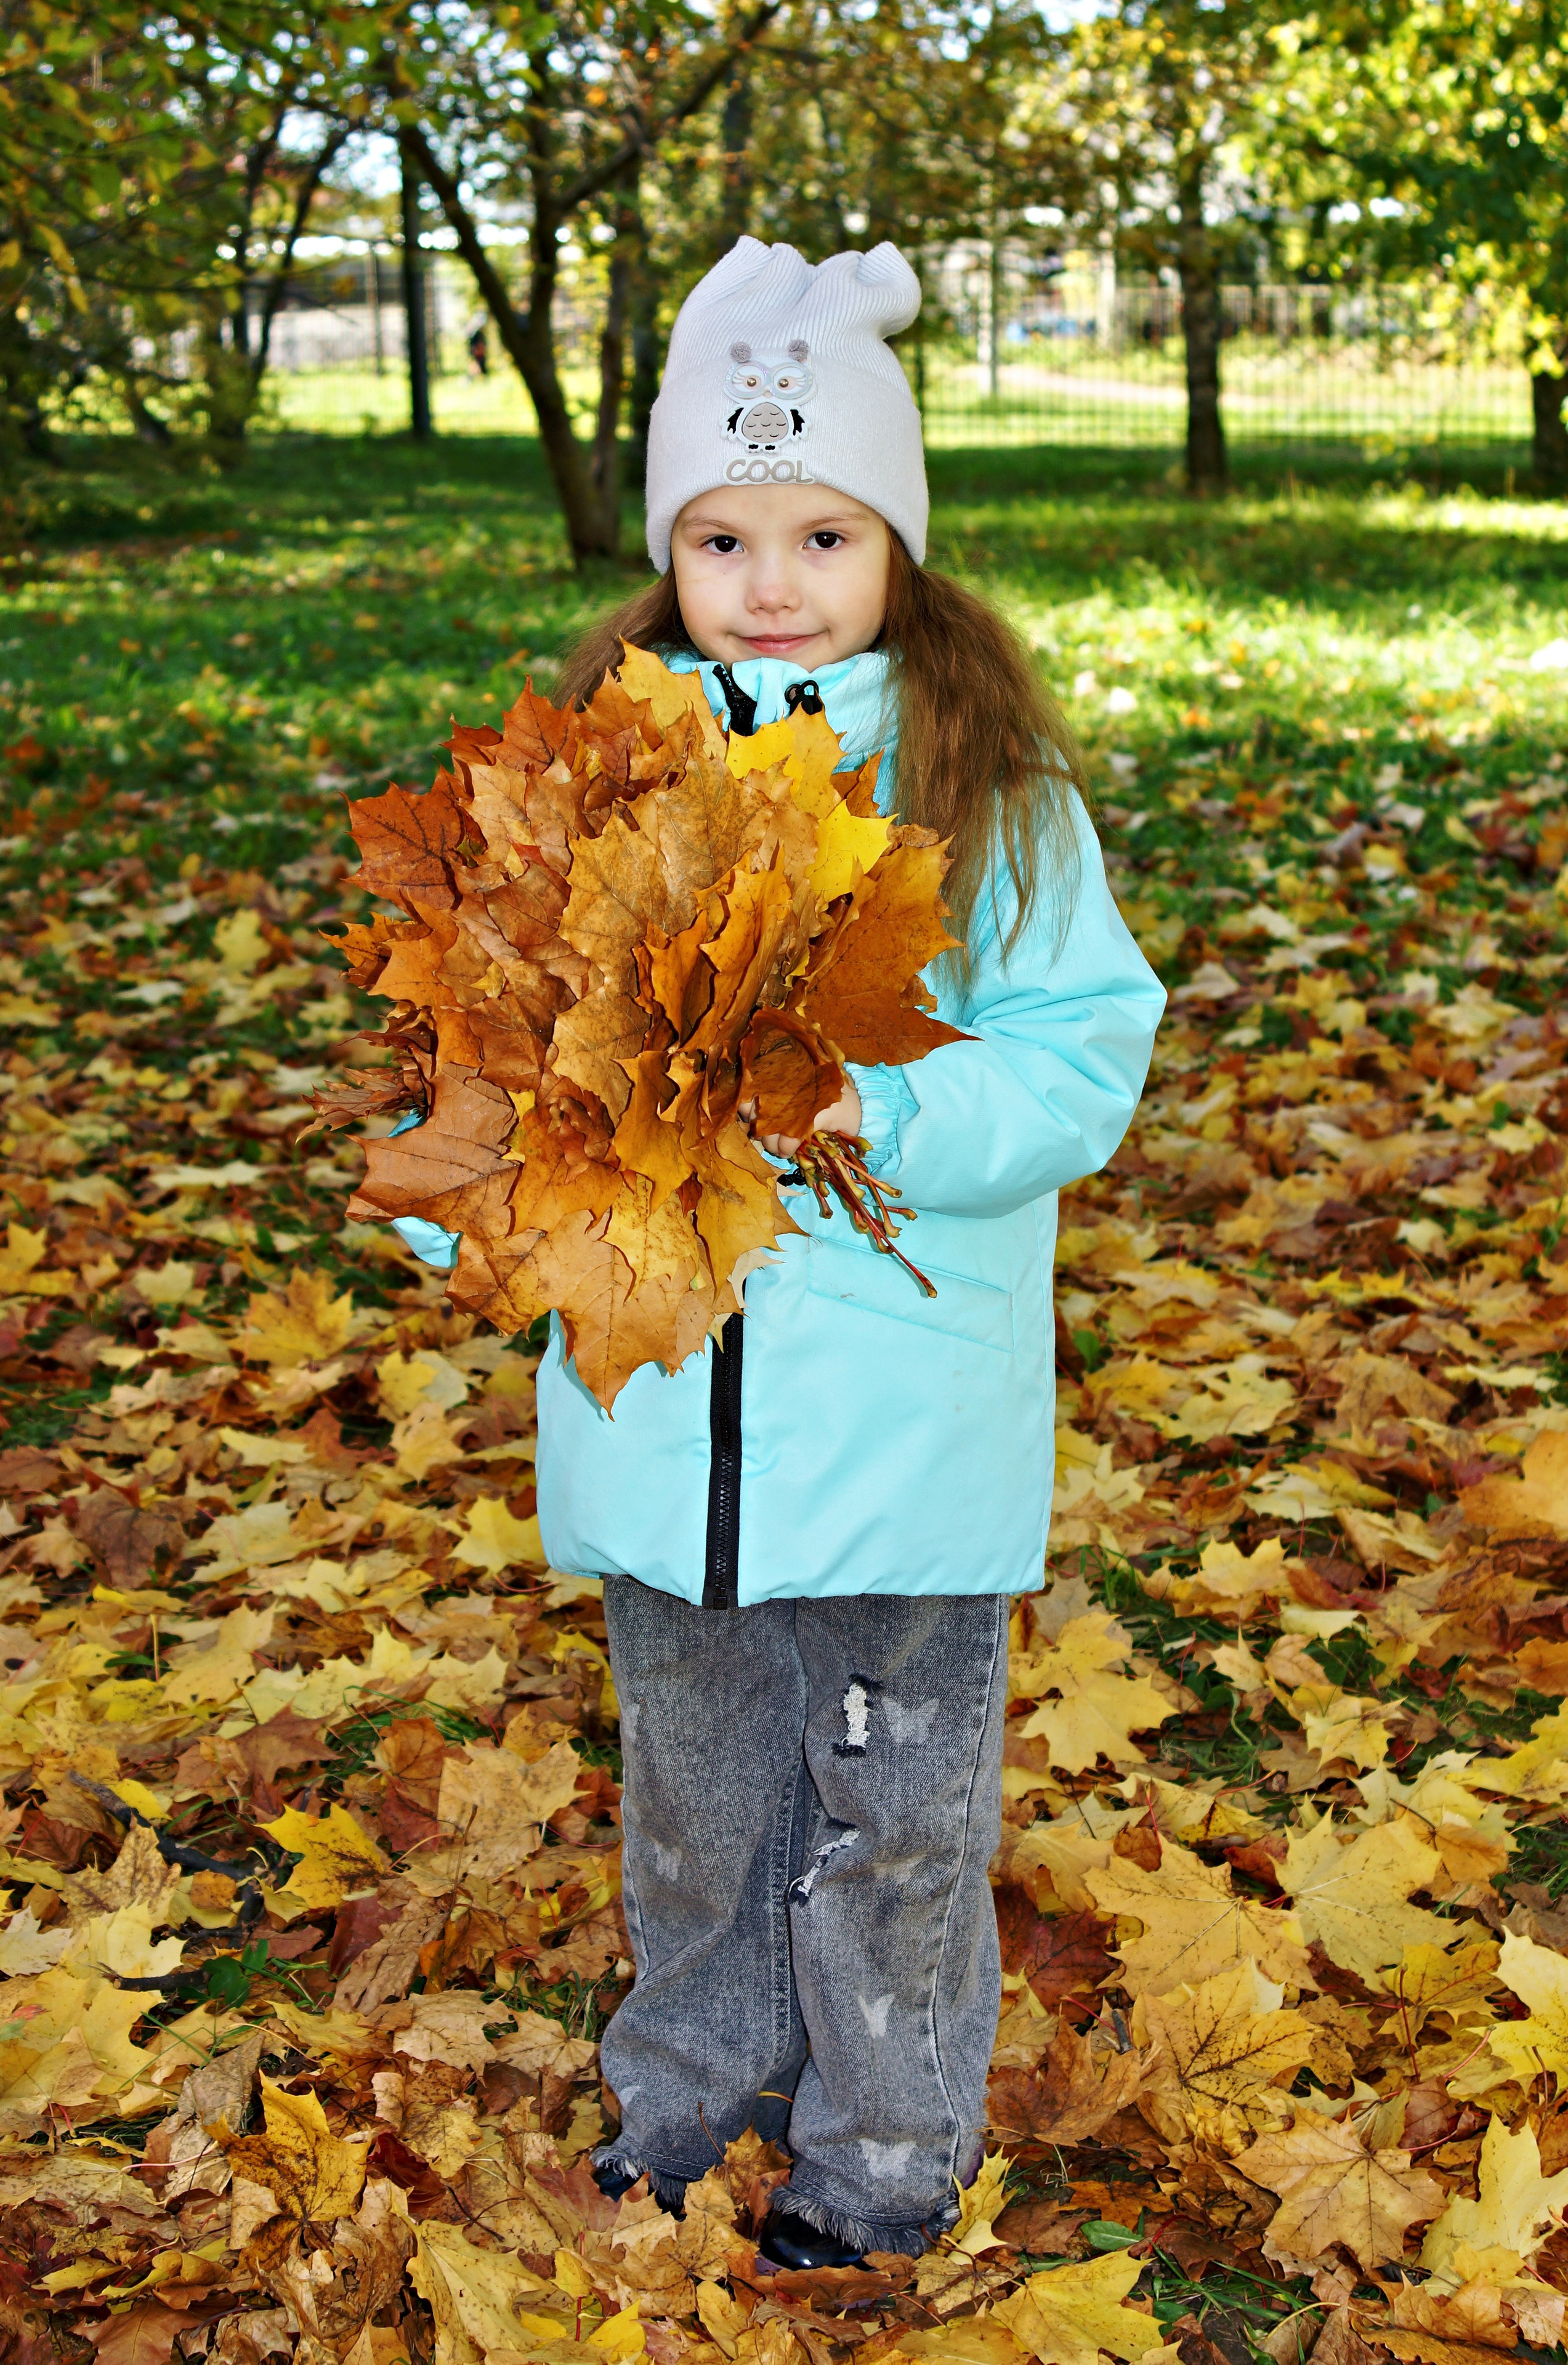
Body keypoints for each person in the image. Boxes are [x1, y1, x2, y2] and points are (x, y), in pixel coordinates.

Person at [398, 238, 1165, 2268]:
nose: (771, 578)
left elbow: (1083, 1055)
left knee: (894, 1828)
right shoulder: (592, 776)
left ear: (899, 542)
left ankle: (882, 2161)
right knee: (698, 1811)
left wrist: (887, 1112)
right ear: (669, 555)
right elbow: (497, 1056)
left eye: (825, 529)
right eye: (723, 535)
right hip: (663, 1444)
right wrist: (486, 1212)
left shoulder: (982, 795)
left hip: (898, 1450)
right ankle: (687, 2101)